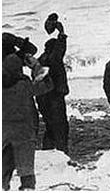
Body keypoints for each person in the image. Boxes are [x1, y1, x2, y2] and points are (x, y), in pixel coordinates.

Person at [3, 48, 54, 190]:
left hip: (4, 133)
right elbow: (47, 85)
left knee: (4, 170)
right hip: (24, 133)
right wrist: (36, 66)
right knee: (27, 172)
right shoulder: (23, 85)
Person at [36, 13, 70, 154]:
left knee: (50, 127)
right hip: (54, 97)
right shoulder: (53, 59)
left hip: (42, 98)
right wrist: (61, 32)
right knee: (61, 127)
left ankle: (47, 153)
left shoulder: (41, 60)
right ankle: (62, 154)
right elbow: (59, 52)